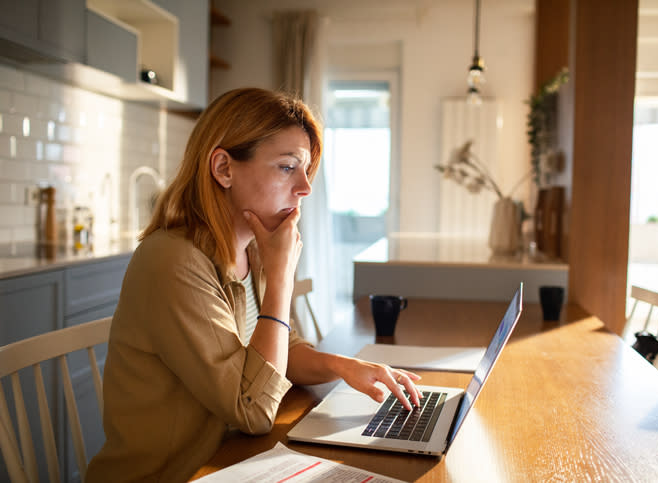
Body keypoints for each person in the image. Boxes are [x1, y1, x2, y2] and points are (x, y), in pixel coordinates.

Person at [86, 88, 422, 482]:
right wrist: (281, 279)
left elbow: (277, 351)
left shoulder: (254, 250)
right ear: (224, 168)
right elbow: (253, 410)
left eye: (305, 169)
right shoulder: (173, 261)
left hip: (230, 461)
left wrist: (345, 367)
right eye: (286, 167)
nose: (305, 187)